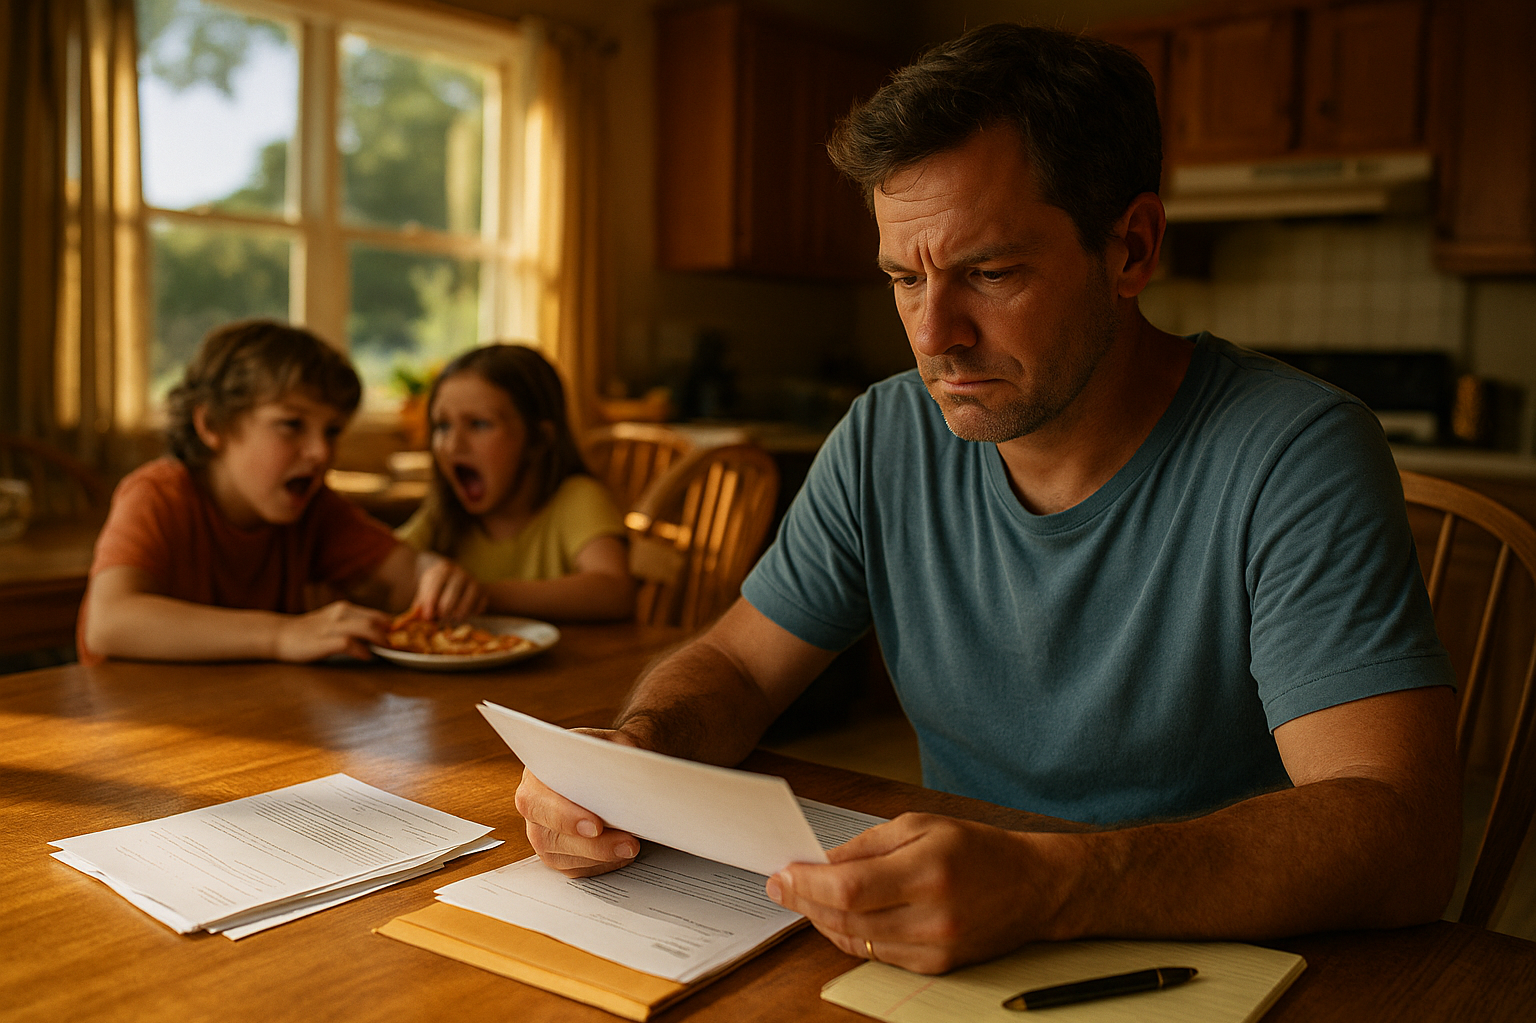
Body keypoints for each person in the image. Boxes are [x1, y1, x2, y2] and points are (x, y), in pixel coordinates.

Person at [514, 22, 1461, 974]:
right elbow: (740, 667)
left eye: (991, 273)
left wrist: (1054, 883)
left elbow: (1403, 833)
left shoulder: (1293, 452)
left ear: (1130, 249)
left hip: (1216, 964)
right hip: (962, 955)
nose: (934, 335)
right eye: (902, 277)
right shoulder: (886, 433)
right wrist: (630, 760)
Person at [80, 320, 484, 665]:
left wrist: (434, 575)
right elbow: (109, 622)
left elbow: (405, 576)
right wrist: (280, 635)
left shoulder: (315, 509)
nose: (321, 452)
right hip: (132, 726)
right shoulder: (157, 496)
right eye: (292, 424)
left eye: (332, 431)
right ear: (211, 425)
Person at [396, 343, 636, 622]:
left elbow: (614, 591)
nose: (452, 446)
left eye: (479, 424)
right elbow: (375, 566)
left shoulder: (577, 497)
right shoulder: (442, 514)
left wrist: (481, 594)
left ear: (538, 440)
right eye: (443, 426)